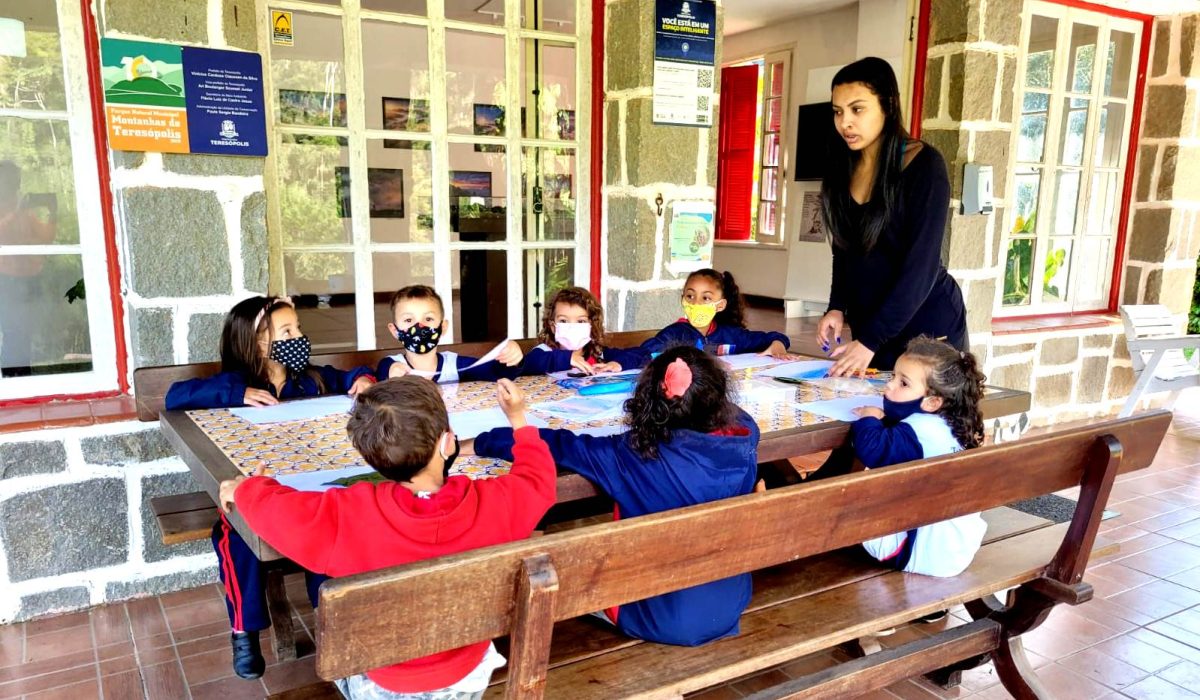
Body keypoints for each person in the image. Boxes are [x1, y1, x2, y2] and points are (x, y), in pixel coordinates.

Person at [219, 377, 556, 699]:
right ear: (447, 442)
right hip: (467, 672)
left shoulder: (346, 513)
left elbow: (278, 512)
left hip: (382, 683)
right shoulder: (495, 502)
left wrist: (247, 489)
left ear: (372, 457)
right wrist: (519, 421)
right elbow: (538, 479)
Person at [468, 346, 760, 646]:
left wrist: (486, 439)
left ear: (648, 401)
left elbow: (562, 446)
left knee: (562, 568)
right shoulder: (746, 434)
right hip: (730, 602)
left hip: (656, 616)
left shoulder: (633, 456)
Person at [165, 295, 376, 679]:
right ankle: (244, 632)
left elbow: (352, 376)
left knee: (328, 529)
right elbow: (176, 395)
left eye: (298, 329)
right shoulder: (235, 383)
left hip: (307, 489)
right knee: (237, 535)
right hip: (256, 491)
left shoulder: (310, 379)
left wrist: (363, 380)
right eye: (287, 331)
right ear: (258, 341)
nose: (298, 337)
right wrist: (237, 395)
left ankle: (329, 621)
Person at [817, 57, 967, 376]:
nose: (845, 122)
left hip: (927, 325)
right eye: (838, 111)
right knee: (873, 405)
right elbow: (844, 249)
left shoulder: (925, 165)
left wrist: (871, 340)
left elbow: (921, 267)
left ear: (888, 105)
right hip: (873, 324)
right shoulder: (843, 167)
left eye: (857, 109)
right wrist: (836, 306)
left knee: (922, 407)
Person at [849, 336, 988, 579]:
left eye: (903, 383)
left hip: (915, 552)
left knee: (847, 506)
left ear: (932, 402)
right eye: (893, 376)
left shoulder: (917, 433)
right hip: (955, 549)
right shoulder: (955, 425)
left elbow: (872, 448)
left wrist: (869, 418)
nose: (889, 386)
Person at [635, 269, 791, 364]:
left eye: (706, 298)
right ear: (682, 299)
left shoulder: (731, 335)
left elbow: (771, 338)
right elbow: (642, 353)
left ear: (720, 305)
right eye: (690, 296)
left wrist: (778, 344)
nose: (696, 303)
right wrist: (621, 362)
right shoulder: (674, 334)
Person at [376, 285, 523, 383]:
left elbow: (497, 373)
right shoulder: (391, 364)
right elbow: (382, 373)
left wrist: (510, 355)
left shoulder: (454, 365)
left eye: (428, 319)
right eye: (408, 320)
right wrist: (391, 373)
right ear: (395, 331)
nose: (419, 326)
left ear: (443, 327)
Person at [0, 160, 55, 377]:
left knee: (24, 333)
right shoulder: (13, 208)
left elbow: (46, 237)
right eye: (11, 180)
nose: (16, 185)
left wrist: (53, 211)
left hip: (29, 279)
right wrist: (16, 212)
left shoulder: (20, 207)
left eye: (17, 180)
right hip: (5, 279)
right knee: (13, 331)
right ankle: (13, 382)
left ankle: (22, 378)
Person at [520, 286, 642, 376]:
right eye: (564, 321)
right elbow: (528, 363)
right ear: (553, 326)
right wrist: (568, 359)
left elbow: (641, 354)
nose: (572, 327)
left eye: (581, 321)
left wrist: (618, 363)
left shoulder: (597, 354)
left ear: (591, 325)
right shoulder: (544, 351)